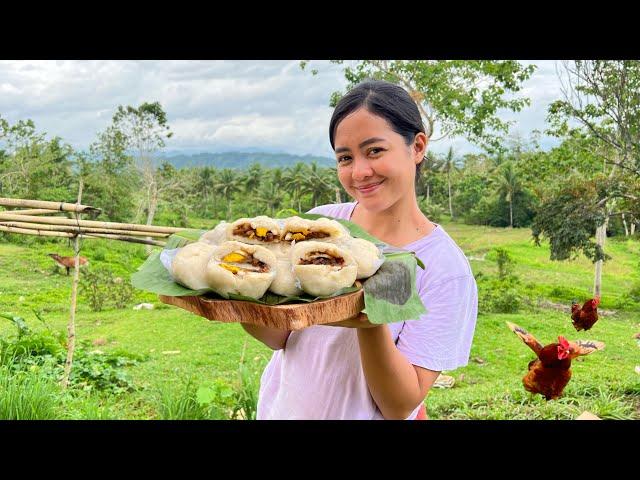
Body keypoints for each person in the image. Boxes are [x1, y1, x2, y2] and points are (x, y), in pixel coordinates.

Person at [241, 79, 478, 420]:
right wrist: (243, 297)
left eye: (375, 151)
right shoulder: (322, 227)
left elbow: (399, 406)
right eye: (345, 158)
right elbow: (280, 336)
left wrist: (371, 324)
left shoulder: (442, 268)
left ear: (418, 146)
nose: (360, 172)